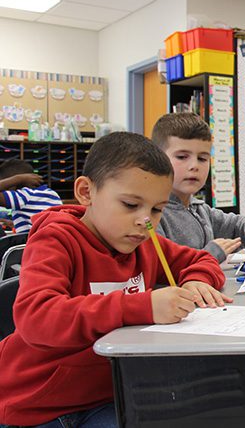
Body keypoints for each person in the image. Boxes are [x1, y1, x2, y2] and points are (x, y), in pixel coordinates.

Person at [0, 132, 229, 427]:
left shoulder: (142, 243)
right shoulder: (56, 240)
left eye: (157, 209)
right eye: (131, 205)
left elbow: (200, 259)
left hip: (110, 394)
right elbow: (37, 318)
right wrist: (140, 306)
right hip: (38, 405)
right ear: (86, 192)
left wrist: (196, 281)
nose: (145, 221)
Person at [151, 113, 245, 260]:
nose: (194, 166)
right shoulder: (153, 214)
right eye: (182, 157)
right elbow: (162, 270)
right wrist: (211, 254)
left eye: (202, 158)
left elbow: (236, 224)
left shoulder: (200, 210)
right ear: (158, 159)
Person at [0, 158, 62, 233]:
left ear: (12, 186)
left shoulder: (24, 195)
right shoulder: (52, 193)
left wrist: (17, 179)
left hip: (30, 242)